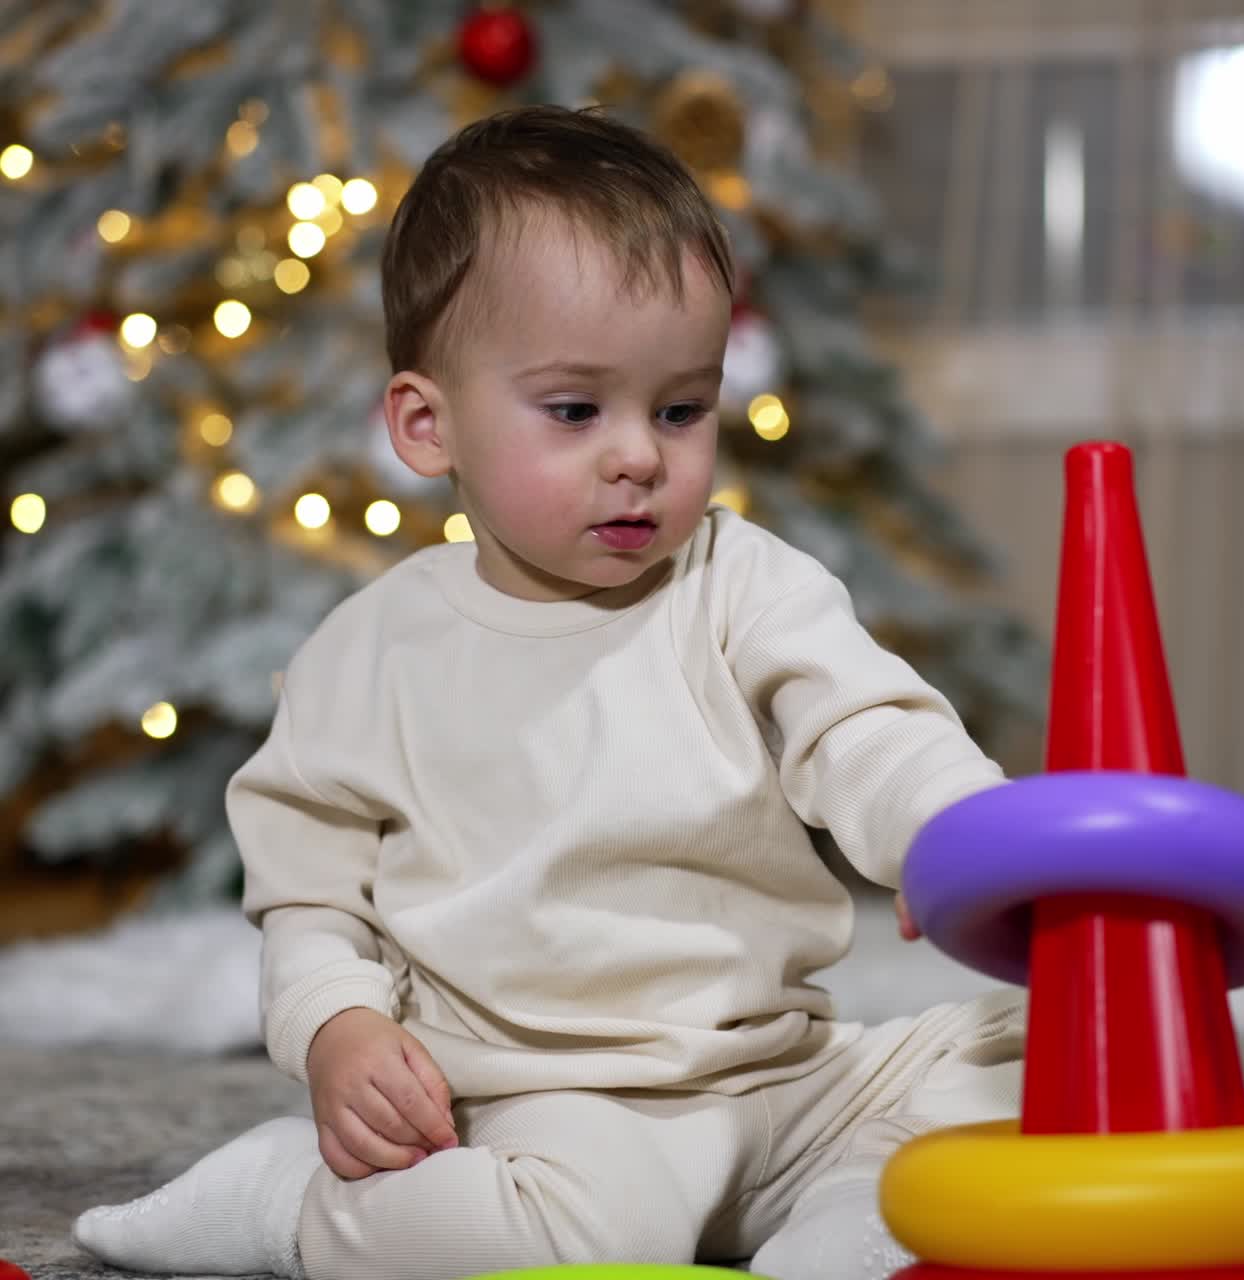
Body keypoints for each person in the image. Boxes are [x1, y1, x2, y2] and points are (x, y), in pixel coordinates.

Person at [73, 104, 1023, 1280]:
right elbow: (311, 892)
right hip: (561, 1099)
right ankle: (293, 1207)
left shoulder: (742, 583)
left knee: (1037, 1055)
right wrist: (338, 1026)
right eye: (575, 410)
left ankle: (838, 1226)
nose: (639, 454)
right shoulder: (375, 651)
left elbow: (865, 728)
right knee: (588, 1233)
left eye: (680, 407)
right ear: (429, 424)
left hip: (786, 1071)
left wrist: (956, 833)